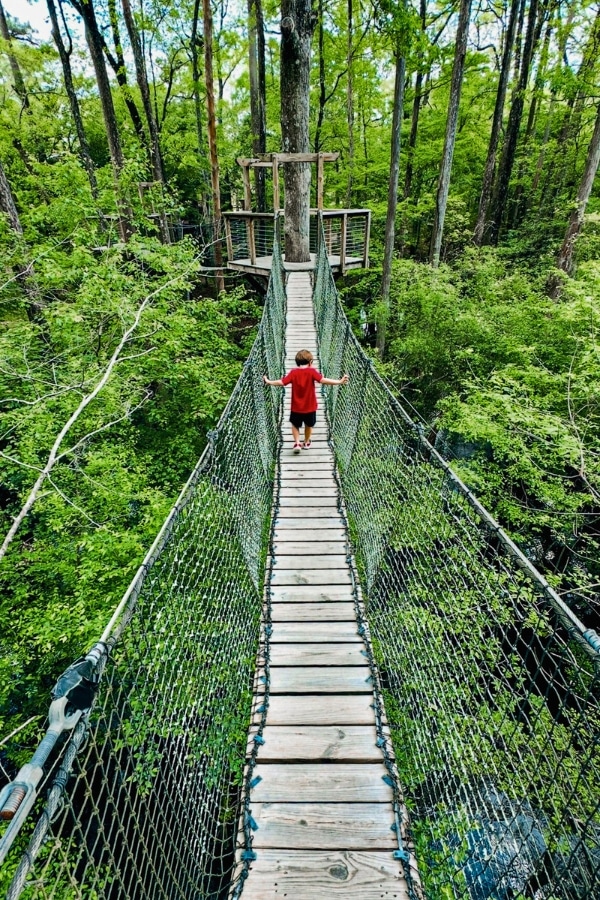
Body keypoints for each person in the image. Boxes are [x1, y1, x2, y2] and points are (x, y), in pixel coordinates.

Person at [263, 349, 349, 453]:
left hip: (296, 408)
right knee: (309, 425)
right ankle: (307, 442)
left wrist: (269, 382)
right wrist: (339, 382)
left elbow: (282, 382)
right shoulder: (312, 372)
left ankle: (297, 443)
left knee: (295, 425)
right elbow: (323, 380)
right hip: (310, 407)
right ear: (311, 362)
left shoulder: (293, 373)